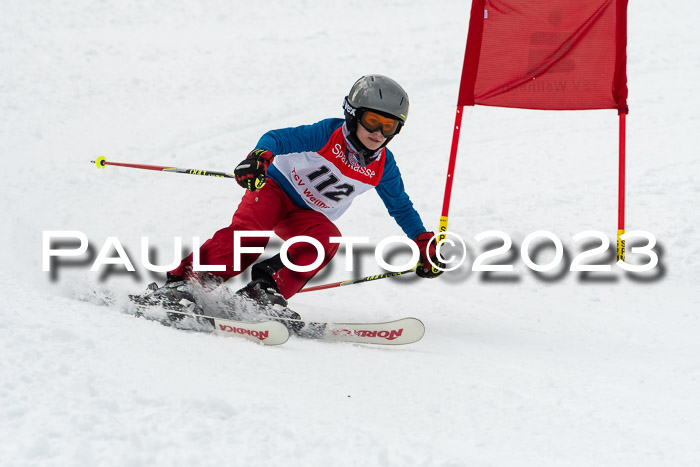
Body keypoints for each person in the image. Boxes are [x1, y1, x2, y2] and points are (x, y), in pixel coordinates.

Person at [139, 75, 443, 327]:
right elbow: (278, 138)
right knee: (251, 234)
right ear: (353, 114)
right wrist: (259, 157)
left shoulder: (383, 166)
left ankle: (261, 293)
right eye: (372, 120)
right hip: (273, 187)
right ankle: (185, 283)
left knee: (325, 239)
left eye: (388, 126)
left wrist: (422, 240)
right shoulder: (328, 133)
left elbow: (400, 206)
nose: (378, 132)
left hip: (305, 214)